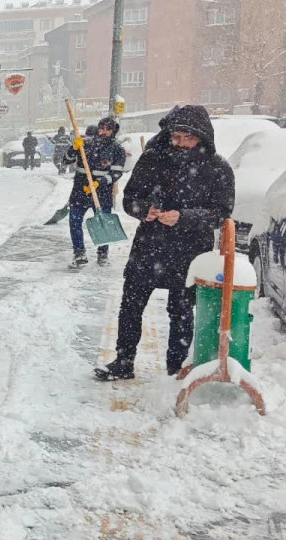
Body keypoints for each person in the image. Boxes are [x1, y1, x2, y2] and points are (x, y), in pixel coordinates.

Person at [95, 105, 234, 381]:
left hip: (190, 250)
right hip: (150, 244)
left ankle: (177, 367)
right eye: (176, 137)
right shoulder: (153, 159)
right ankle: (123, 361)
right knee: (131, 304)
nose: (181, 144)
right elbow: (129, 197)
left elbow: (222, 213)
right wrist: (142, 209)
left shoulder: (217, 168)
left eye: (188, 138)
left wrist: (184, 217)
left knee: (181, 310)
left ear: (202, 137)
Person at [63, 117, 126, 268]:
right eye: (101, 128)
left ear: (113, 131)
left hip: (102, 193)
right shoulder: (85, 144)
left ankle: (103, 254)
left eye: (108, 129)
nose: (104, 132)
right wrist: (74, 148)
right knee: (75, 220)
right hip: (80, 190)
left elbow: (117, 173)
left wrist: (100, 183)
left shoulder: (117, 150)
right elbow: (65, 161)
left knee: (104, 222)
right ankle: (79, 253)